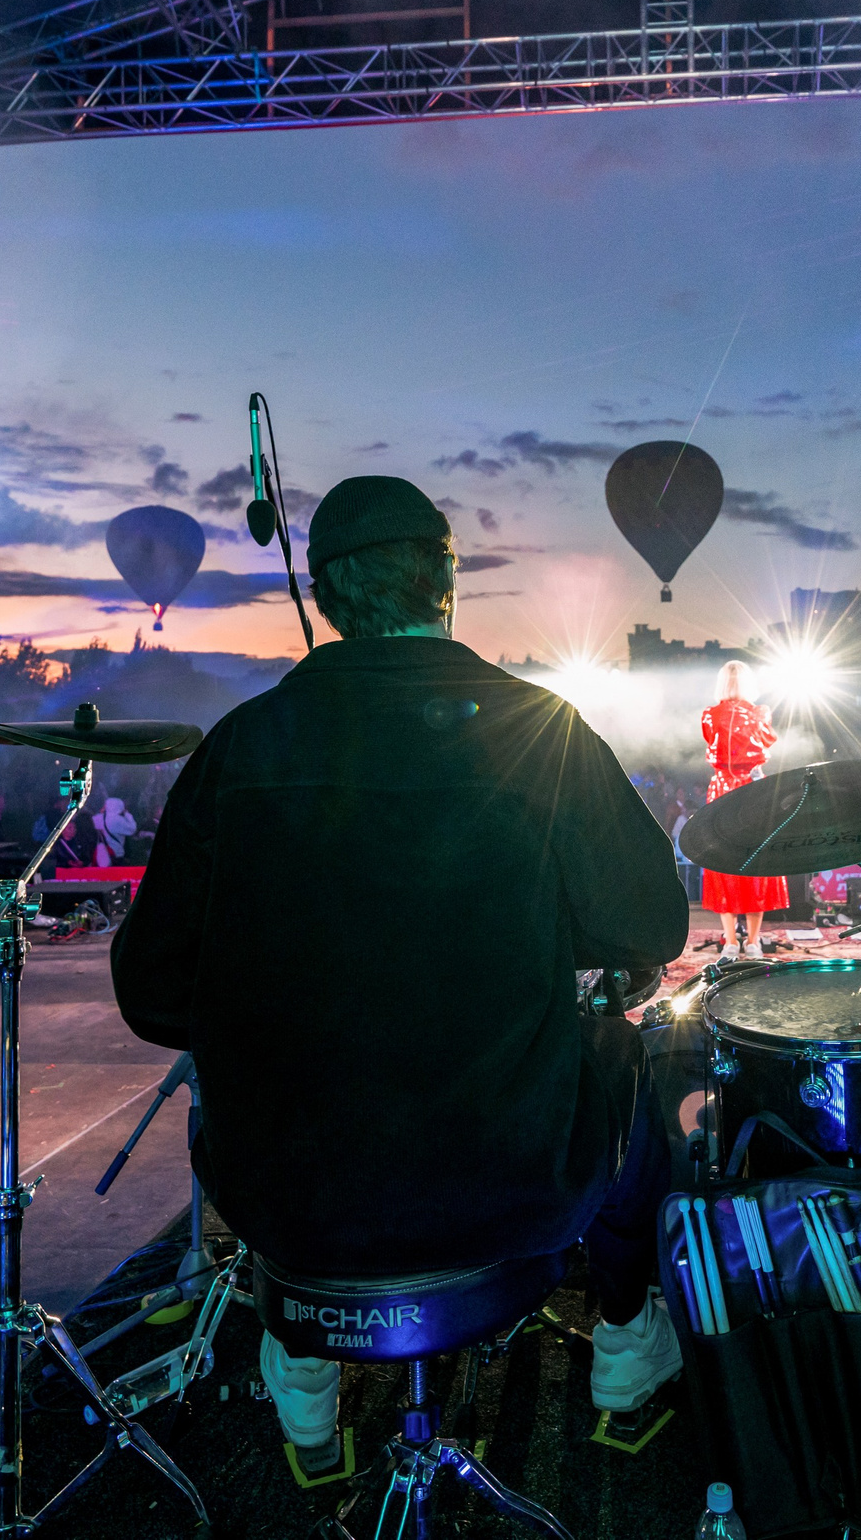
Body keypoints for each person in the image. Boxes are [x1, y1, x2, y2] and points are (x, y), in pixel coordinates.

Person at [110, 476, 687, 1471]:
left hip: (293, 1200)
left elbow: (154, 995)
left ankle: (303, 1381)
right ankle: (627, 1354)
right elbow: (650, 923)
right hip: (510, 1187)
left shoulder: (241, 746)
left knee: (249, 1091)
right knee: (639, 1057)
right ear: (444, 584)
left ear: (326, 600)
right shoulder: (539, 731)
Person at [699, 660, 789, 957]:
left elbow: (712, 745)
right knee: (757, 862)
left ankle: (730, 941)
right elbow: (765, 746)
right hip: (753, 791)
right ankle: (752, 941)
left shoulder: (710, 716)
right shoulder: (760, 713)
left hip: (723, 790)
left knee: (724, 863)